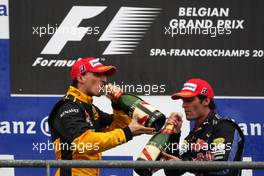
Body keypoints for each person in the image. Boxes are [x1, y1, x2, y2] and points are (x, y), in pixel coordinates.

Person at [48, 57, 154, 176]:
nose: (104, 79)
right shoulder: (67, 106)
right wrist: (128, 132)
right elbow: (85, 143)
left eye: (104, 75)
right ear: (80, 77)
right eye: (97, 74)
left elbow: (118, 128)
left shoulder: (91, 108)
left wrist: (117, 105)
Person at [163, 78, 245, 176]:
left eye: (189, 100)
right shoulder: (194, 134)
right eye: (183, 101)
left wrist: (184, 165)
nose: (184, 105)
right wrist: (174, 134)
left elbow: (223, 168)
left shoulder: (224, 127)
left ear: (206, 101)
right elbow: (173, 172)